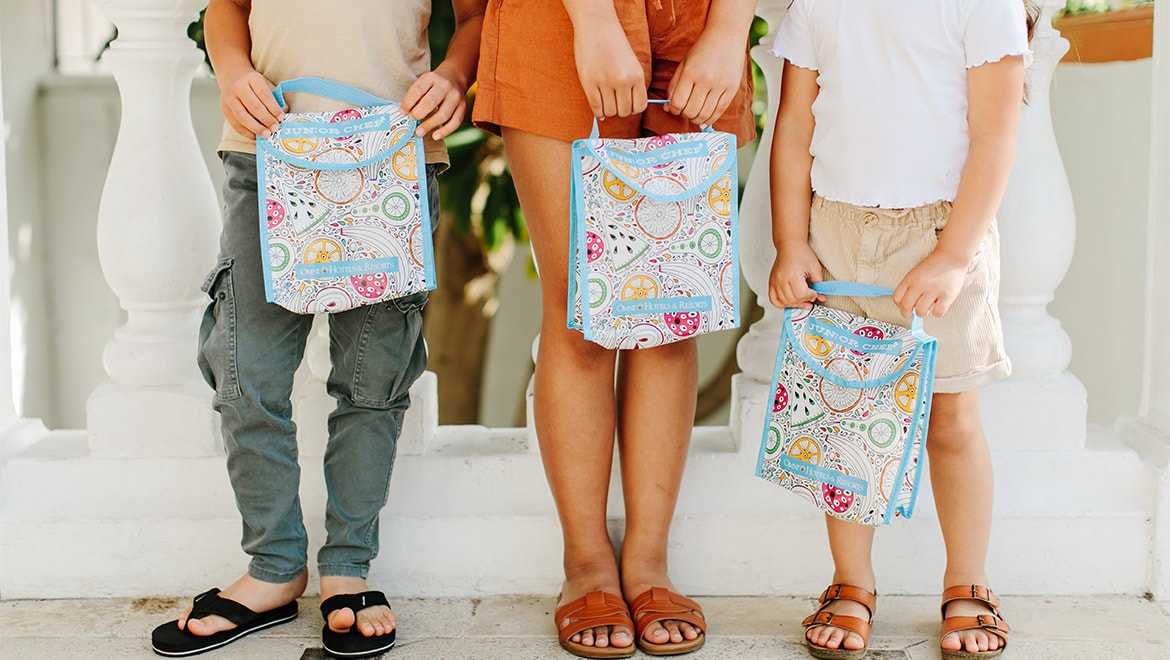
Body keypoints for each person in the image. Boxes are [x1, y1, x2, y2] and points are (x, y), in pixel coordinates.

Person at [149, 1, 484, 657]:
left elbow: (475, 16)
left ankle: (348, 567)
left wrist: (452, 76)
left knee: (374, 378)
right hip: (266, 149)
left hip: (393, 153)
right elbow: (229, 7)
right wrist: (232, 69)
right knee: (245, 369)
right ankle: (274, 568)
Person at [473, 1, 756, 657]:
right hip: (560, 16)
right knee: (581, 315)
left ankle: (648, 563)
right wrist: (595, 23)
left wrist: (730, 27)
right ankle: (588, 563)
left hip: (701, 19)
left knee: (668, 304)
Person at [766, 1, 1033, 659]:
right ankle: (852, 584)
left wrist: (952, 255)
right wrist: (789, 242)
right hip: (836, 237)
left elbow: (995, 135)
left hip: (940, 237)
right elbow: (795, 126)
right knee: (845, 419)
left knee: (951, 420)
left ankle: (967, 582)